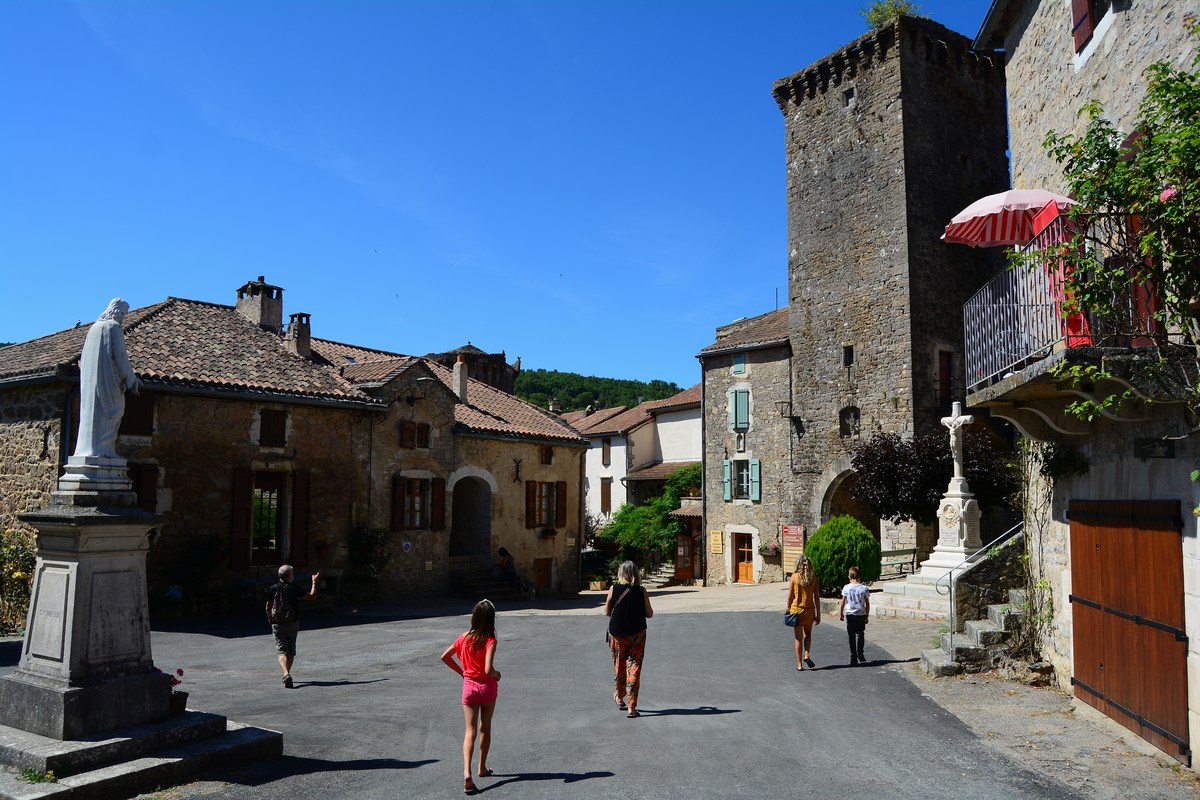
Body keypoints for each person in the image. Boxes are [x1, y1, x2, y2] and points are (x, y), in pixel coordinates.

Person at [441, 599, 502, 795]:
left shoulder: (463, 638)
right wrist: (497, 674)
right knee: (485, 727)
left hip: (469, 688)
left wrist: (463, 672)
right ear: (490, 619)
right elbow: (488, 669)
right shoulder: (490, 640)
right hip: (487, 688)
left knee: (470, 731)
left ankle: (467, 772)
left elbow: (445, 656)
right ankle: (482, 768)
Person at [74, 298, 142, 459]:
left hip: (92, 385)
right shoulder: (113, 327)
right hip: (108, 384)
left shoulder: (93, 329)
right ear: (116, 311)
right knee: (114, 412)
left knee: (92, 415)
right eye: (123, 314)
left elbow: (83, 360)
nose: (123, 317)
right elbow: (120, 356)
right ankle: (104, 450)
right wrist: (131, 379)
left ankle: (91, 449)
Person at [605, 561, 654, 718]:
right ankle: (631, 707)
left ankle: (619, 697)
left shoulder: (614, 588)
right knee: (634, 668)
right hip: (637, 635)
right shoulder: (641, 591)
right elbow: (649, 613)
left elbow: (607, 611)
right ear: (636, 574)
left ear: (621, 573)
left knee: (619, 665)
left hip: (617, 634)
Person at [264, 565, 320, 688]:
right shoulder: (293, 588)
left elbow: (268, 607)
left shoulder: (272, 589)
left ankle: (285, 674)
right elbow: (312, 597)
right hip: (292, 622)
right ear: (289, 576)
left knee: (281, 650)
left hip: (277, 623)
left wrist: (270, 618)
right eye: (292, 573)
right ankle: (286, 673)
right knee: (291, 650)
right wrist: (314, 583)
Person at [786, 555, 821, 671]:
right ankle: (807, 654)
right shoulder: (814, 579)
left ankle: (799, 665)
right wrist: (818, 613)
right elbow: (816, 597)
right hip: (809, 610)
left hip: (796, 610)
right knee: (808, 634)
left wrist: (788, 608)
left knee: (798, 638)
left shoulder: (794, 577)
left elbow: (790, 596)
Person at [838, 565, 871, 666]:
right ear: (859, 576)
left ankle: (853, 657)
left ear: (849, 577)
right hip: (860, 614)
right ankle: (861, 654)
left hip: (850, 614)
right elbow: (867, 603)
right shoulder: (864, 588)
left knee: (851, 636)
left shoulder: (846, 588)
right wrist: (867, 615)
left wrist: (841, 613)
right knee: (860, 634)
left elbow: (843, 602)